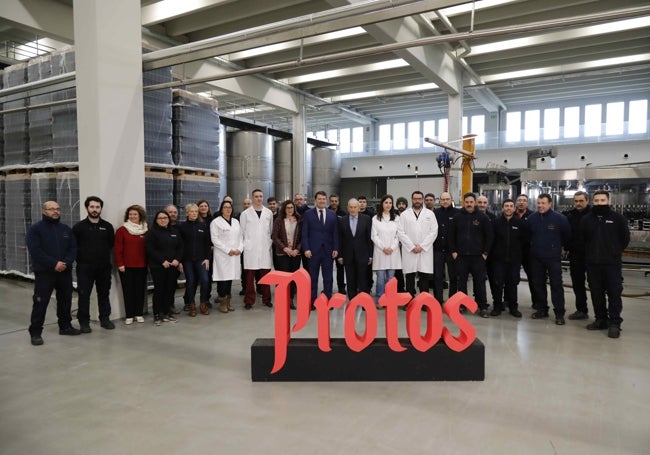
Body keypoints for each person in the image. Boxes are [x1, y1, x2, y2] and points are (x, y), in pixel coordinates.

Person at [26, 201, 80, 345]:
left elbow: (73, 248)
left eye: (57, 209)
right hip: (45, 272)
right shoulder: (35, 229)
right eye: (52, 209)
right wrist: (53, 264)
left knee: (65, 300)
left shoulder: (65, 229)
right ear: (44, 211)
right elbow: (35, 251)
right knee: (40, 302)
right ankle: (36, 332)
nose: (55, 211)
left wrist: (65, 263)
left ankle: (65, 326)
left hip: (64, 272)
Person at [580, 190, 630, 338]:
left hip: (612, 264)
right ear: (592, 202)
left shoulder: (618, 219)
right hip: (593, 264)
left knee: (614, 293)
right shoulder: (586, 219)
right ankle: (600, 319)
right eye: (596, 201)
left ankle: (614, 323)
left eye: (602, 200)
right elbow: (583, 239)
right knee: (596, 293)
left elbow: (625, 239)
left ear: (608, 201)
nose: (599, 203)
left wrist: (614, 252)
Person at [72, 196, 115, 333]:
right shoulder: (79, 227)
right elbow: (73, 247)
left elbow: (111, 245)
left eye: (97, 207)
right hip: (85, 268)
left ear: (100, 208)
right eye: (92, 207)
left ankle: (105, 319)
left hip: (103, 268)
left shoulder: (107, 226)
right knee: (84, 295)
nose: (95, 209)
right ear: (87, 208)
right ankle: (84, 322)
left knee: (104, 294)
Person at [527, 193, 571, 325]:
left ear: (550, 204)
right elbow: (527, 236)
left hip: (553, 258)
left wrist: (556, 247)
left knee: (556, 285)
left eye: (543, 203)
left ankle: (559, 313)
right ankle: (542, 309)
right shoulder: (531, 218)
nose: (540, 206)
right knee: (538, 284)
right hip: (536, 258)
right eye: (538, 203)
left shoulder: (559, 219)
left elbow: (567, 236)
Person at [449, 192, 494, 318]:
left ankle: (483, 306)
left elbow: (489, 236)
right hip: (461, 257)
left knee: (479, 282)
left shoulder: (483, 218)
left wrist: (485, 253)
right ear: (464, 203)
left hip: (478, 257)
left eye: (471, 202)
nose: (469, 204)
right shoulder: (457, 217)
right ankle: (462, 305)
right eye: (467, 202)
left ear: (475, 203)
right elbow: (451, 236)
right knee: (461, 282)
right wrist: (454, 252)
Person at [490, 199, 527, 318]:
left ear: (514, 208)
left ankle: (513, 307)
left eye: (511, 206)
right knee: (497, 284)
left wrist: (519, 256)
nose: (509, 208)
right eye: (506, 206)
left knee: (512, 284)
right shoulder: (495, 223)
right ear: (502, 208)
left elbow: (524, 241)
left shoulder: (520, 223)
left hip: (514, 260)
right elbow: (491, 240)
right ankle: (497, 306)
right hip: (498, 260)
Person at [397, 191, 438, 299]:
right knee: (409, 277)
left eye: (419, 199)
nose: (417, 201)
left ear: (422, 200)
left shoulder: (430, 214)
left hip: (424, 250)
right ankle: (409, 300)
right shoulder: (405, 214)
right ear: (412, 199)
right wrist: (411, 246)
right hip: (409, 250)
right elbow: (400, 232)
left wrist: (422, 246)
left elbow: (434, 232)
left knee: (424, 277)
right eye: (415, 199)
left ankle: (424, 301)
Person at [146, 210, 184, 325]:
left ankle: (167, 313)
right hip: (158, 266)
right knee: (159, 290)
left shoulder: (174, 232)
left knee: (169, 290)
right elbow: (150, 249)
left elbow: (180, 247)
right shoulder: (152, 233)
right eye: (160, 218)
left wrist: (177, 259)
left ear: (168, 219)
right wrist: (162, 261)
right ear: (156, 220)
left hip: (172, 266)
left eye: (165, 218)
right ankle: (157, 314)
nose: (163, 220)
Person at [301, 191, 339, 306]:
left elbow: (335, 233)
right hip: (313, 252)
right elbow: (305, 233)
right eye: (319, 199)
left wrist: (336, 248)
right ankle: (312, 301)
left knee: (328, 278)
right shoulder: (308, 214)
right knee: (313, 278)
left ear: (326, 200)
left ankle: (327, 300)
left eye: (323, 199)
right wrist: (306, 248)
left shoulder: (332, 214)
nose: (322, 201)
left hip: (328, 251)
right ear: (315, 200)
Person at [239, 189, 274, 309]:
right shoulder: (245, 214)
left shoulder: (268, 213)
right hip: (250, 249)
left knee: (266, 276)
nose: (259, 198)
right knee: (249, 278)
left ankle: (266, 299)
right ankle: (249, 300)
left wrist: (269, 243)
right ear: (252, 198)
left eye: (261, 196)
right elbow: (241, 232)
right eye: (256, 196)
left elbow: (270, 231)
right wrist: (245, 245)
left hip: (264, 248)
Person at [114, 204, 148, 325]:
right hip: (126, 266)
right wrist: (120, 264)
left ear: (140, 216)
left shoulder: (146, 229)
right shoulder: (122, 230)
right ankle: (129, 315)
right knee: (128, 291)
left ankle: (139, 314)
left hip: (142, 266)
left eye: (135, 214)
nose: (132, 216)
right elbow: (118, 249)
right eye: (130, 214)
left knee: (140, 291)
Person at [179, 203, 212, 316]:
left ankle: (203, 303)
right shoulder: (182, 227)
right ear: (187, 213)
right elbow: (179, 245)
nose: (194, 213)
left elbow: (207, 243)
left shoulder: (202, 226)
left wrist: (207, 258)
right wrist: (179, 261)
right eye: (192, 211)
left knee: (205, 280)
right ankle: (191, 304)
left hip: (201, 259)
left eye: (196, 212)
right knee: (191, 281)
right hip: (187, 260)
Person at [563, 191, 591, 320]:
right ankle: (581, 310)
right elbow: (566, 233)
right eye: (576, 201)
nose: (578, 203)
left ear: (587, 201)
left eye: (581, 201)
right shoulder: (570, 216)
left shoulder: (593, 215)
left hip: (592, 256)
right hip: (575, 255)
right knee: (577, 284)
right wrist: (567, 247)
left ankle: (601, 314)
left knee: (596, 285)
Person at [337, 198, 373, 299]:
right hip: (348, 256)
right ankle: (352, 301)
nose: (353, 209)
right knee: (350, 279)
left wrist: (370, 255)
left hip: (363, 255)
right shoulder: (342, 220)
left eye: (355, 207)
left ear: (359, 208)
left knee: (363, 279)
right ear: (348, 208)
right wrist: (340, 256)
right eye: (351, 207)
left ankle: (363, 302)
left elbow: (369, 238)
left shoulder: (366, 219)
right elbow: (340, 239)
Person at [210, 200, 242, 313]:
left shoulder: (236, 222)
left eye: (229, 207)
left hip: (235, 254)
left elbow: (240, 237)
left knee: (229, 279)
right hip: (222, 255)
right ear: (221, 209)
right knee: (222, 279)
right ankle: (222, 302)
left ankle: (228, 302)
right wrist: (228, 250)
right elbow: (215, 239)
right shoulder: (216, 222)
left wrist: (239, 249)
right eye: (225, 207)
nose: (228, 209)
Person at [271, 200, 303, 309]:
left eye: (292, 208)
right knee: (284, 278)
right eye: (288, 208)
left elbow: (302, 238)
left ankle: (290, 300)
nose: (290, 210)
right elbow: (275, 237)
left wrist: (297, 250)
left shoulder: (299, 220)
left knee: (293, 278)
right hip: (282, 253)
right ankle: (282, 299)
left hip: (295, 254)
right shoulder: (279, 220)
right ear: (284, 209)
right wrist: (285, 248)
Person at [371, 195, 401, 307]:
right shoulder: (375, 218)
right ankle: (380, 300)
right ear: (382, 204)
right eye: (386, 202)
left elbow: (398, 236)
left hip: (393, 253)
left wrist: (392, 248)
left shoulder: (397, 218)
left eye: (390, 202)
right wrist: (383, 247)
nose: (388, 204)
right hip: (380, 252)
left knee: (390, 278)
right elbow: (374, 236)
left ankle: (390, 300)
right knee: (380, 279)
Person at [433, 192, 460, 304]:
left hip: (452, 251)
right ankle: (438, 300)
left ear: (451, 200)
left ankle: (452, 301)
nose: (445, 201)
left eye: (447, 199)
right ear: (439, 201)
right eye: (443, 199)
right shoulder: (434, 213)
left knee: (453, 277)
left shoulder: (458, 214)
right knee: (437, 277)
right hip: (437, 250)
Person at [515, 193, 536, 308]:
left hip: (529, 252)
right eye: (519, 200)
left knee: (533, 278)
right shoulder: (511, 214)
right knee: (512, 278)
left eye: (524, 200)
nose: (521, 202)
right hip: (514, 252)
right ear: (516, 202)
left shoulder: (533, 216)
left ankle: (536, 302)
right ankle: (509, 300)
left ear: (527, 203)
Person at [329, 193, 347, 294]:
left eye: (336, 201)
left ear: (338, 202)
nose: (334, 203)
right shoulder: (325, 212)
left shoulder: (343, 214)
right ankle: (328, 287)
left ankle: (341, 287)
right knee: (328, 269)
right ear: (329, 201)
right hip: (328, 245)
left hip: (340, 246)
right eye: (332, 201)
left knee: (340, 268)